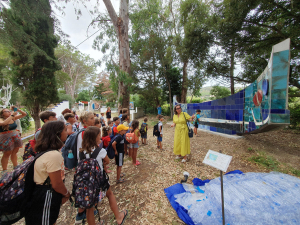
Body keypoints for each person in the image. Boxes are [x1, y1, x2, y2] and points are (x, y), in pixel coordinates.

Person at [79, 126, 128, 225]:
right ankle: (118, 217)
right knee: (110, 194)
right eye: (99, 135)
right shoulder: (99, 151)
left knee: (90, 206)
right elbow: (107, 161)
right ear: (96, 137)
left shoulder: (81, 151)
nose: (100, 137)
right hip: (100, 178)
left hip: (87, 181)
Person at [25, 121, 70, 225]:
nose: (67, 132)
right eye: (65, 129)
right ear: (57, 134)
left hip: (39, 193)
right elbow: (56, 184)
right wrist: (67, 194)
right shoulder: (53, 155)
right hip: (45, 195)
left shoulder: (45, 151)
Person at [75, 111, 96, 224]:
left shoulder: (82, 132)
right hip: (86, 167)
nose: (94, 120)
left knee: (85, 191)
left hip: (84, 165)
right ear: (85, 121)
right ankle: (84, 215)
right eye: (92, 118)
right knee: (87, 191)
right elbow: (86, 150)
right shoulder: (85, 133)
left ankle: (81, 214)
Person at [0, 106, 27, 174]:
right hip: (6, 137)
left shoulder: (13, 118)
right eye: (7, 111)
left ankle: (15, 166)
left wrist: (17, 109)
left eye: (9, 111)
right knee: (7, 153)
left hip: (15, 136)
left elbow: (24, 114)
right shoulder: (1, 119)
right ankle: (4, 170)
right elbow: (4, 123)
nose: (9, 112)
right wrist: (12, 114)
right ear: (2, 114)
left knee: (15, 151)